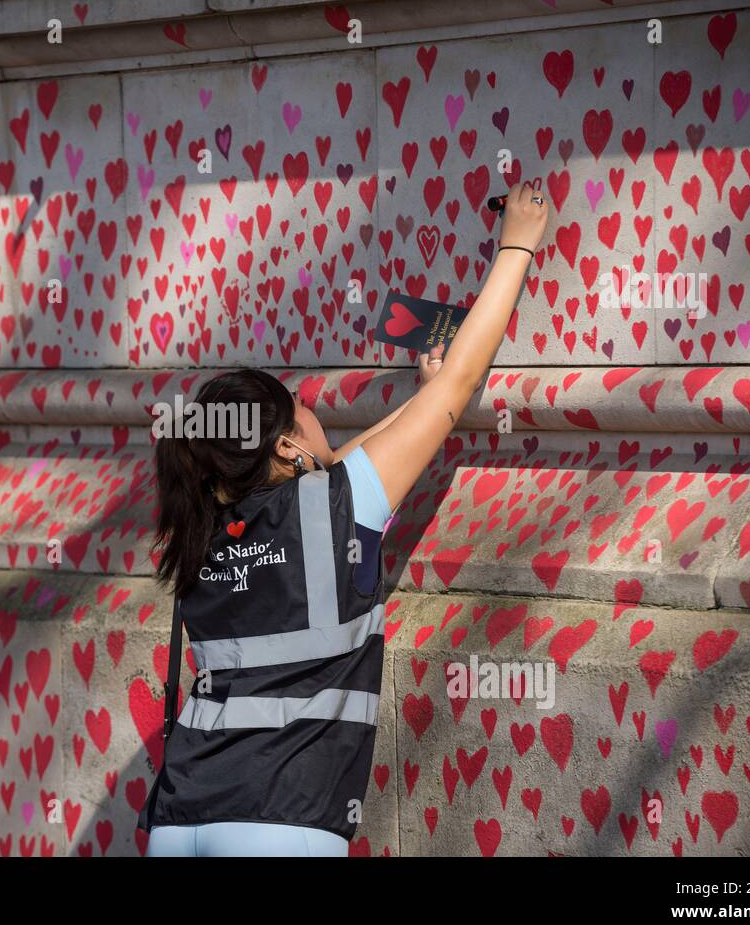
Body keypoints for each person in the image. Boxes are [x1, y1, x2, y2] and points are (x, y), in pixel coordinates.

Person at [138, 182, 550, 856]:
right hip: (281, 823)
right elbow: (456, 388)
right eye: (300, 405)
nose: (314, 409)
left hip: (181, 819)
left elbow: (360, 455)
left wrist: (418, 402)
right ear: (285, 445)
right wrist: (518, 244)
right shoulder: (336, 508)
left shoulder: (203, 530)